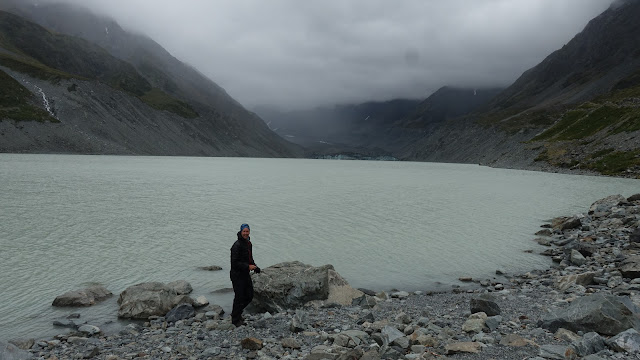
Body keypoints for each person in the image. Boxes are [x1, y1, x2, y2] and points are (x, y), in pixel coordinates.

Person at [230, 223, 260, 327]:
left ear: (249, 232)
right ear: (241, 232)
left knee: (249, 295)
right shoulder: (236, 245)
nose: (246, 233)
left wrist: (255, 267)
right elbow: (235, 263)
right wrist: (248, 267)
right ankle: (235, 319)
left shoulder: (248, 243)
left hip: (245, 274)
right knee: (239, 297)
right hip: (236, 275)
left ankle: (237, 313)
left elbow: (250, 258)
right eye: (244, 231)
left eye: (247, 231)